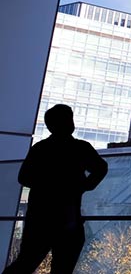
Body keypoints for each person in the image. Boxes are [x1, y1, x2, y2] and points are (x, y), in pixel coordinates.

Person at [3, 104, 107, 274]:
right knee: (61, 269)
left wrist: (49, 184)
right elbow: (101, 168)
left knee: (24, 263)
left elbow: (24, 177)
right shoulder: (80, 148)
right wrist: (82, 186)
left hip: (39, 219)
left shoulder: (40, 148)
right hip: (69, 220)